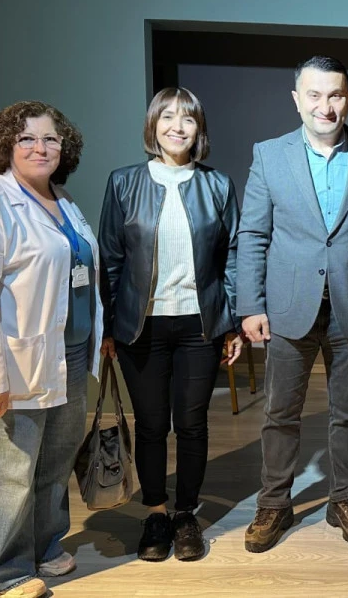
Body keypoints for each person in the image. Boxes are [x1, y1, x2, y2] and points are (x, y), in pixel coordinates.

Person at [0, 101, 101, 598]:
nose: (40, 147)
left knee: (54, 462)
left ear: (64, 147)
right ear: (5, 147)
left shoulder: (62, 201)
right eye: (26, 138)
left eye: (50, 138)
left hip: (68, 355)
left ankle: (45, 546)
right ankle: (0, 574)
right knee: (7, 472)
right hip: (11, 365)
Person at [238, 55, 348, 552]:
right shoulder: (269, 155)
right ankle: (274, 503)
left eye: (335, 95)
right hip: (287, 307)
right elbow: (252, 234)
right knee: (280, 413)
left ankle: (345, 498)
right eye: (314, 95)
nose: (325, 106)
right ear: (297, 99)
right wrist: (250, 305)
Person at [98, 87, 242, 562]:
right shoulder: (124, 183)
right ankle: (156, 514)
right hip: (142, 326)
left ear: (199, 129)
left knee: (193, 424)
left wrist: (232, 323)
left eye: (188, 119)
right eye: (168, 117)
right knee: (152, 425)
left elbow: (232, 258)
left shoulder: (218, 185)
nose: (177, 127)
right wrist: (108, 327)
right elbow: (111, 260)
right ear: (153, 125)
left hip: (200, 325)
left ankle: (186, 514)